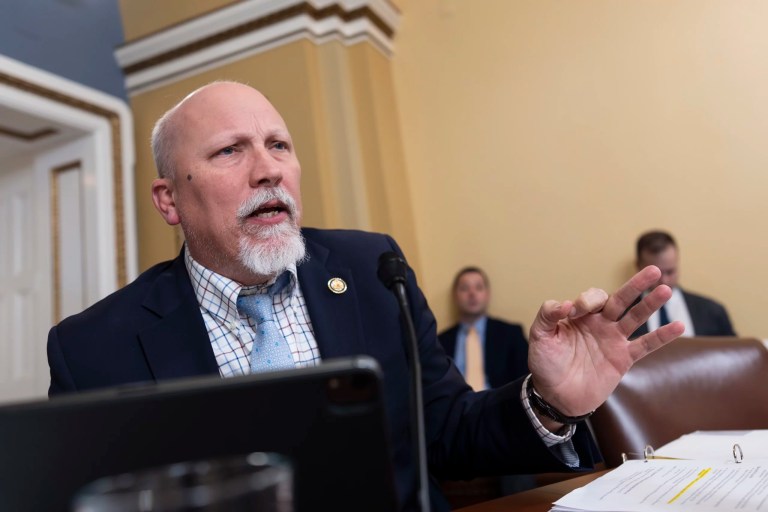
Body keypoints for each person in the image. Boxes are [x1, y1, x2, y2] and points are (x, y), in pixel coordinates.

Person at [46, 81, 684, 511]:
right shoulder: (94, 348)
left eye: (279, 146)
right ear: (169, 201)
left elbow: (449, 434)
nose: (267, 169)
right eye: (229, 151)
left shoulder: (371, 267)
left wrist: (547, 402)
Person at [631, 230, 736, 339]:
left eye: (670, 271)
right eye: (656, 274)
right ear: (639, 267)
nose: (664, 281)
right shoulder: (621, 316)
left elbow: (734, 352)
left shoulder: (712, 312)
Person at [438, 267, 528, 390]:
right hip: (457, 407)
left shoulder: (511, 334)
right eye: (464, 288)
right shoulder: (440, 342)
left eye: (478, 287)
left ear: (487, 294)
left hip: (500, 405)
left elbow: (526, 381)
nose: (472, 293)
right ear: (455, 296)